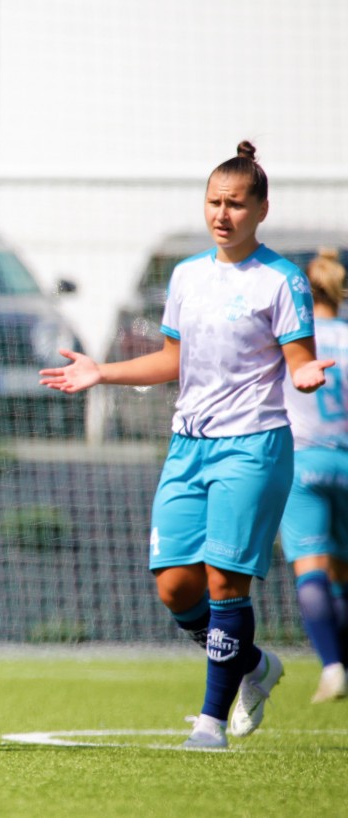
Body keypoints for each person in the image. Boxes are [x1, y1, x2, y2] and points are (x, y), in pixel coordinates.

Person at [40, 141, 334, 749]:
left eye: (236, 204)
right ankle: (254, 664)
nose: (223, 214)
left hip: (252, 445)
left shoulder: (282, 280)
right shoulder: (187, 275)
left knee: (226, 582)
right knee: (175, 586)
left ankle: (209, 724)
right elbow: (172, 358)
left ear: (261, 210)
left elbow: (299, 359)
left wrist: (304, 373)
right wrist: (101, 372)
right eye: (214, 202)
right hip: (188, 446)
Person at [279, 248, 348, 703]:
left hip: (303, 462)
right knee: (342, 573)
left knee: (311, 570)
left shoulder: (292, 340)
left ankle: (332, 667)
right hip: (346, 459)